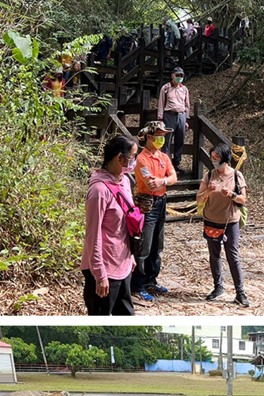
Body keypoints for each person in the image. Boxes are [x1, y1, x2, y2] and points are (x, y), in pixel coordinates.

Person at [81, 134, 139, 316]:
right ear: (119, 158)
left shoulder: (125, 181)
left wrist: (131, 256)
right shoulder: (99, 191)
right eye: (133, 156)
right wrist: (99, 274)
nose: (135, 161)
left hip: (124, 264)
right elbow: (93, 234)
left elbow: (124, 226)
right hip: (105, 269)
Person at [196, 142, 249, 306]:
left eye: (217, 157)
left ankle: (240, 292)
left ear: (225, 158)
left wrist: (232, 194)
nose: (214, 160)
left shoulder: (236, 176)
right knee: (214, 255)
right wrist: (209, 191)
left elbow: (243, 199)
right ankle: (218, 286)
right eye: (212, 157)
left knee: (233, 256)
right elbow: (199, 198)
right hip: (211, 220)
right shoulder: (209, 175)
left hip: (230, 221)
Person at [130, 121, 177, 305]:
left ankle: (151, 280)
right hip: (146, 204)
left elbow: (174, 177)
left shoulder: (164, 157)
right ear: (149, 137)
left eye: (164, 135)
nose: (162, 138)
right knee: (144, 246)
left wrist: (162, 181)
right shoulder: (141, 159)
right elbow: (150, 183)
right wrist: (164, 180)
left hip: (161, 202)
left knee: (158, 245)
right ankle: (137, 286)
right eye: (159, 134)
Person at [157, 67, 190, 168]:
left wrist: (187, 119)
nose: (179, 77)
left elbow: (187, 105)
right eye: (178, 75)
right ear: (172, 75)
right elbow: (161, 104)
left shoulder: (184, 89)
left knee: (180, 140)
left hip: (181, 116)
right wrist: (160, 119)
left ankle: (177, 162)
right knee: (167, 140)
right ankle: (166, 164)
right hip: (169, 115)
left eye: (181, 75)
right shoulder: (166, 88)